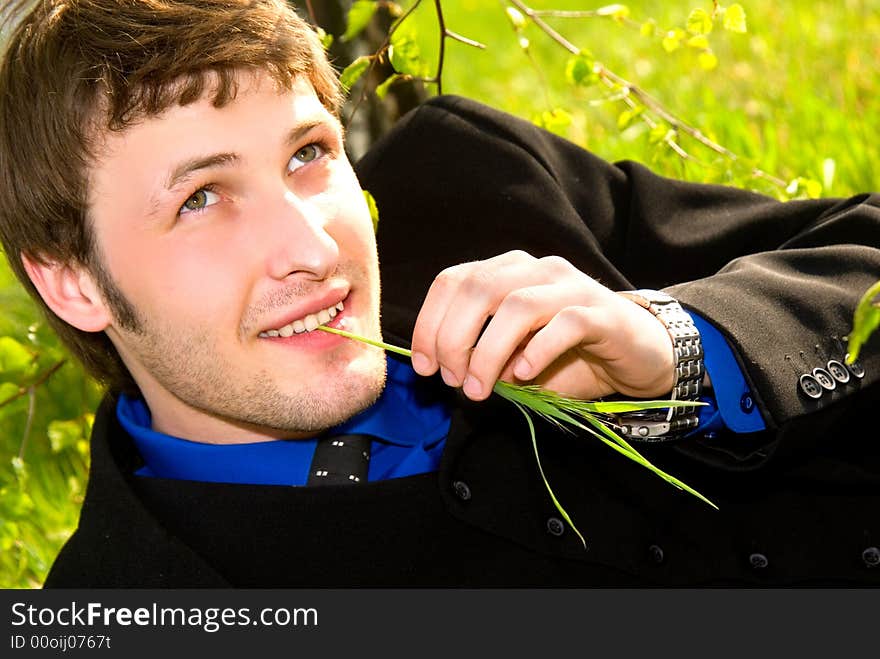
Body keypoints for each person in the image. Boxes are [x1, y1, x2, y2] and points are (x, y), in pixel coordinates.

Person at [0, 0, 877, 588]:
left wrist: (682, 347)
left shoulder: (478, 189)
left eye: (308, 152)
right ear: (71, 280)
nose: (314, 249)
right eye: (200, 198)